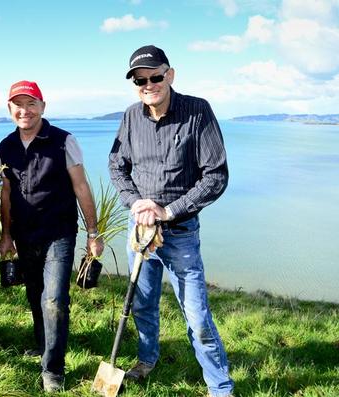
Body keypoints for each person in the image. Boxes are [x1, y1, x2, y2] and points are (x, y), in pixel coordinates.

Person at [108, 45, 235, 397]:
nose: (148, 84)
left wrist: (168, 211)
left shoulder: (198, 111)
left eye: (155, 76)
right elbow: (118, 166)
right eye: (140, 79)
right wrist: (136, 203)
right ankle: (147, 360)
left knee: (196, 315)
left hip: (180, 232)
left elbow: (216, 175)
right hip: (141, 231)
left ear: (170, 74)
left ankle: (220, 387)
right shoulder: (131, 116)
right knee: (143, 303)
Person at [0, 81, 104, 392]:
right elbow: (6, 192)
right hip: (25, 233)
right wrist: (6, 234)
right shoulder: (6, 146)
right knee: (35, 294)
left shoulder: (63, 141)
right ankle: (44, 346)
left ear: (43, 107)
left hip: (59, 231)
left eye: (31, 103)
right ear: (9, 109)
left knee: (55, 299)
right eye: (18, 104)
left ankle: (53, 369)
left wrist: (93, 232)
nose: (24, 110)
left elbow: (81, 187)